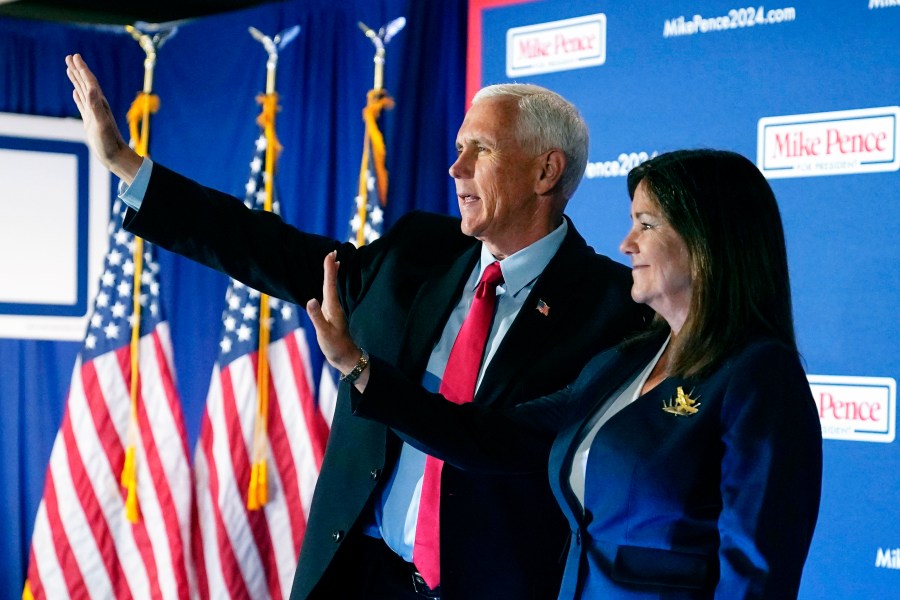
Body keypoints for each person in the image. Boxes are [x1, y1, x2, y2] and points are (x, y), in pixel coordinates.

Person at [65, 54, 649, 599]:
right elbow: (274, 251)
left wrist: (360, 370)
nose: (457, 167)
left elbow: (506, 444)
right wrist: (124, 162)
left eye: (481, 150)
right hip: (357, 573)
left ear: (547, 171)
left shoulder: (608, 308)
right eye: (458, 146)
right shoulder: (416, 252)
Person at [308, 149, 824, 599]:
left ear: (708, 240)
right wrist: (358, 367)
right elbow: (492, 437)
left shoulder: (758, 373)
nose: (626, 244)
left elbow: (757, 571)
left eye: (646, 224)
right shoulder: (625, 360)